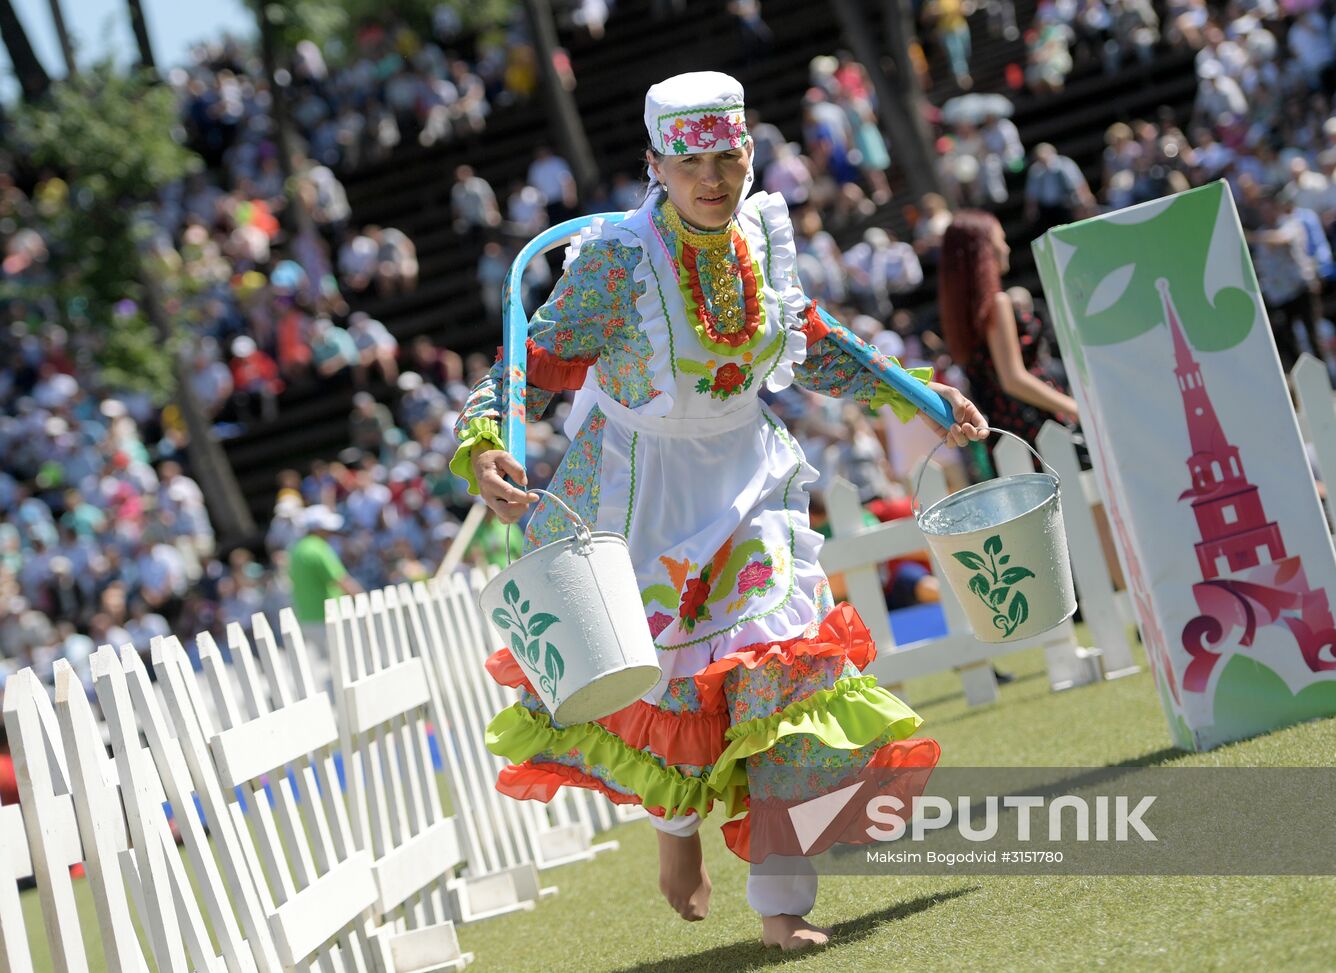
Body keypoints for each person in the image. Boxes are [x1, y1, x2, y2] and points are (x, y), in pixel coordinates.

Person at [453, 72, 989, 952]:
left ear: (749, 153)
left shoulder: (766, 236)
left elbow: (812, 341)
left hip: (750, 485)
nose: (713, 177)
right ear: (656, 164)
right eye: (691, 159)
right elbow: (530, 369)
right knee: (661, 685)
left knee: (780, 678)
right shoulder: (616, 260)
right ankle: (675, 835)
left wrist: (920, 395)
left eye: (728, 155)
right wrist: (485, 442)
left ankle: (782, 901)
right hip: (637, 493)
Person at [939, 210, 1078, 444]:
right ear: (984, 251)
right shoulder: (997, 303)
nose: (1006, 248)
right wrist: (1074, 408)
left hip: (1002, 431)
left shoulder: (961, 314)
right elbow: (1013, 378)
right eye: (999, 240)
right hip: (1034, 422)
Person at [288, 504, 365, 689]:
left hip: (308, 617)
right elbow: (342, 580)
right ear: (317, 528)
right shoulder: (318, 549)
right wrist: (364, 600)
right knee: (346, 666)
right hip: (328, 616)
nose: (331, 532)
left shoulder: (296, 550)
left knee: (335, 665)